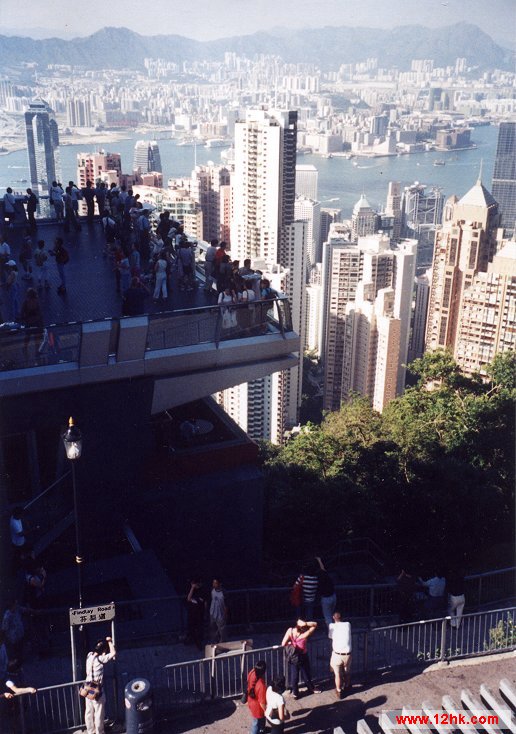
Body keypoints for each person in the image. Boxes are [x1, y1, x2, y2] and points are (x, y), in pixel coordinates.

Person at [281, 619, 321, 700]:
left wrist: (291, 643)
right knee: (306, 673)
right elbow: (315, 624)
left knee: (294, 675)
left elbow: (283, 643)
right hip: (302, 656)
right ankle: (311, 688)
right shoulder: (304, 635)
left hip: (293, 656)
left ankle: (295, 693)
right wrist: (306, 623)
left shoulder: (290, 630)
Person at [84, 636, 116, 734]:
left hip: (87, 687)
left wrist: (102, 650)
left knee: (89, 712)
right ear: (103, 650)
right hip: (97, 690)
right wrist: (110, 642)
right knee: (99, 713)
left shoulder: (89, 655)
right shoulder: (101, 659)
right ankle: (99, 732)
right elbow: (113, 653)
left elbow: (98, 654)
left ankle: (90, 731)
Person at [328, 611, 352, 699]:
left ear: (333, 617)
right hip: (347, 653)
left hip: (337, 654)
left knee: (337, 674)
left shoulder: (332, 625)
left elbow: (330, 636)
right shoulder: (348, 624)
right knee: (347, 671)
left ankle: (339, 690)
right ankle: (347, 685)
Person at [246, 660, 267, 734]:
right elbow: (262, 702)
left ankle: (262, 729)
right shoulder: (261, 685)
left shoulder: (251, 672)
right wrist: (266, 710)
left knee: (256, 721)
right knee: (256, 723)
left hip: (251, 701)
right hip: (257, 707)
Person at [316, 556, 336, 629]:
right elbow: (323, 569)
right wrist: (319, 560)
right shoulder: (327, 576)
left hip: (326, 599)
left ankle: (332, 633)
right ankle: (334, 629)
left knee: (328, 618)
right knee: (332, 615)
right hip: (333, 596)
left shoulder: (319, 581)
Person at [186, 579, 206, 650]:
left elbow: (201, 601)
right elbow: (188, 598)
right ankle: (191, 640)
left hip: (199, 614)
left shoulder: (202, 591)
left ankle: (199, 644)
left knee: (199, 630)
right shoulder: (192, 590)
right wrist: (192, 588)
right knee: (191, 628)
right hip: (192, 613)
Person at [209, 578, 227, 643]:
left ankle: (222, 642)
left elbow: (226, 604)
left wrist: (225, 614)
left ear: (219, 584)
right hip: (213, 613)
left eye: (216, 583)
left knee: (222, 630)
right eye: (213, 583)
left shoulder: (223, 592)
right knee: (213, 629)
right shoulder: (212, 590)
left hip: (221, 614)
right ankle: (214, 642)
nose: (214, 584)